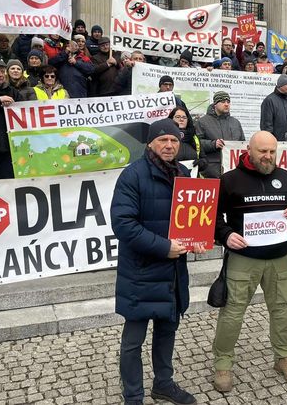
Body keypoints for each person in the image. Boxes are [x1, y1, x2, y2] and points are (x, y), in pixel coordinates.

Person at [110, 118, 202, 405]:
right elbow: (123, 224)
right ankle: (133, 397)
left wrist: (196, 237)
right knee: (133, 342)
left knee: (166, 334)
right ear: (150, 143)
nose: (169, 145)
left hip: (174, 272)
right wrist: (164, 247)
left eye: (174, 140)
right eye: (163, 140)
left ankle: (163, 384)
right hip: (141, 272)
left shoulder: (184, 173)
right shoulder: (133, 175)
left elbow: (192, 219)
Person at [212, 131, 287, 393]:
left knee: (281, 310)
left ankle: (283, 358)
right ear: (249, 150)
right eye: (262, 151)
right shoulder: (230, 180)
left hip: (279, 259)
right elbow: (212, 216)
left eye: (272, 152)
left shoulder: (285, 178)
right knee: (232, 313)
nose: (267, 157)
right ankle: (223, 363)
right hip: (244, 259)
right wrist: (226, 234)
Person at [195, 91, 245, 178]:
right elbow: (196, 143)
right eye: (223, 102)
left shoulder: (235, 122)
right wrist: (213, 144)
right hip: (212, 169)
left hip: (233, 169)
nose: (226, 104)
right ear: (215, 104)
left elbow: (242, 143)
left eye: (228, 102)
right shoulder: (202, 122)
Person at [260, 74, 287, 141]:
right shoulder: (269, 100)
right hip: (276, 143)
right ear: (281, 85)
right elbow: (266, 124)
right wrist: (269, 140)